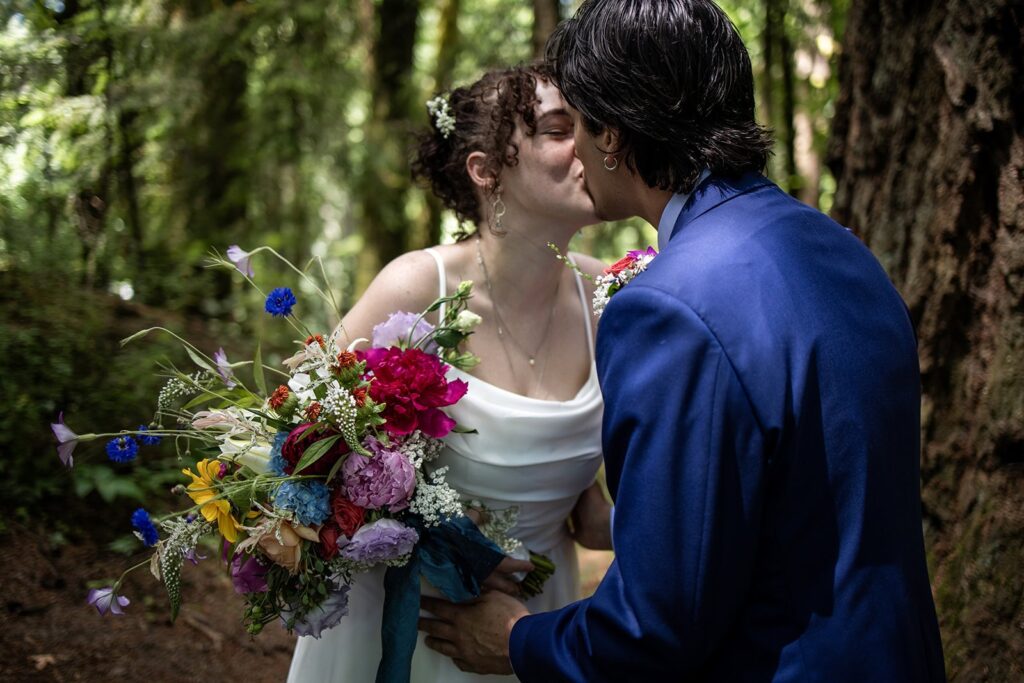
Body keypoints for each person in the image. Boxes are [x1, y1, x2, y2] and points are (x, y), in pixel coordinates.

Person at [418, 1, 947, 681]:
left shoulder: (668, 308)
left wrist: (518, 640)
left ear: (611, 133)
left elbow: (655, 620)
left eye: (576, 124)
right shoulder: (843, 251)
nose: (575, 150)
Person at [285, 63, 614, 682]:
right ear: (487, 171)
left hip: (538, 621)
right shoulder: (418, 287)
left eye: (589, 126)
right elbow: (298, 449)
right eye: (557, 129)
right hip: (410, 625)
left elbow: (590, 514)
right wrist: (444, 549)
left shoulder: (609, 297)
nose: (591, 144)